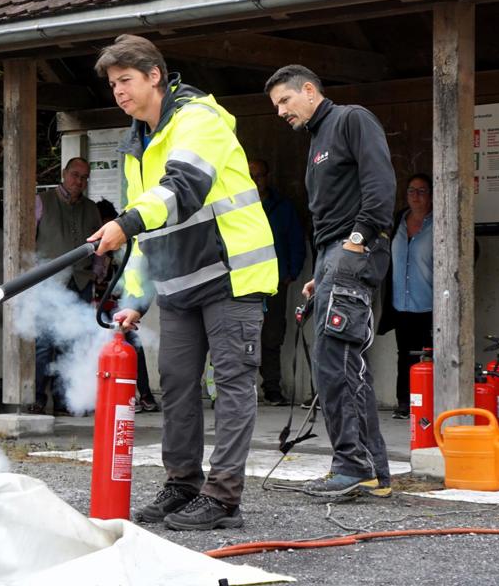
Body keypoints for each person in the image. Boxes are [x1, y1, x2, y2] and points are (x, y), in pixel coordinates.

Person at [89, 34, 278, 531]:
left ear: (155, 76)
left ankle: (223, 499)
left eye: (126, 80)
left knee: (233, 386)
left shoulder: (199, 119)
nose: (119, 92)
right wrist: (136, 298)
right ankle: (183, 485)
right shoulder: (135, 147)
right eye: (113, 84)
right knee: (175, 384)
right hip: (178, 283)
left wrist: (124, 223)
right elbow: (148, 237)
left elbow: (183, 188)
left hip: (232, 274)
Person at [265, 64, 394, 498]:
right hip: (332, 257)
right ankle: (369, 471)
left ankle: (354, 466)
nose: (281, 111)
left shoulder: (350, 119)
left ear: (309, 90)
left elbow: (380, 183)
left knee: (336, 360)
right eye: (276, 106)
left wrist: (357, 241)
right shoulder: (317, 139)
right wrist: (321, 274)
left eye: (285, 100)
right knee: (336, 361)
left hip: (354, 247)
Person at [28, 157, 102, 416]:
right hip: (49, 284)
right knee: (45, 344)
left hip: (81, 282)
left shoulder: (92, 209)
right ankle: (37, 398)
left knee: (73, 344)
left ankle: (63, 400)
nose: (78, 181)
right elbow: (26, 240)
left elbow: (101, 247)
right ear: (63, 173)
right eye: (74, 175)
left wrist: (97, 273)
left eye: (83, 178)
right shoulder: (42, 201)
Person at [377, 174, 434, 419]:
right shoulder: (397, 221)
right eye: (411, 190)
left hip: (430, 303)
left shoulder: (440, 221)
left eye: (422, 191)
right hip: (400, 302)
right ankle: (405, 402)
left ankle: (430, 404)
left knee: (429, 356)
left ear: (431, 195)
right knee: (405, 355)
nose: (416, 195)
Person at [250, 159, 306, 406]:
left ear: (267, 177)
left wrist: (291, 272)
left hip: (274, 282)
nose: (255, 181)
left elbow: (296, 240)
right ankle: (240, 391)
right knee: (241, 338)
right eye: (250, 176)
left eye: (259, 176)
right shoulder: (235, 205)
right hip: (243, 283)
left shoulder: (283, 207)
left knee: (272, 336)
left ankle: (271, 387)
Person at [96, 198, 160, 413]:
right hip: (97, 304)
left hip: (122, 305)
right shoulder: (97, 248)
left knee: (132, 345)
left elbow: (137, 280)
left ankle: (145, 395)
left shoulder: (130, 247)